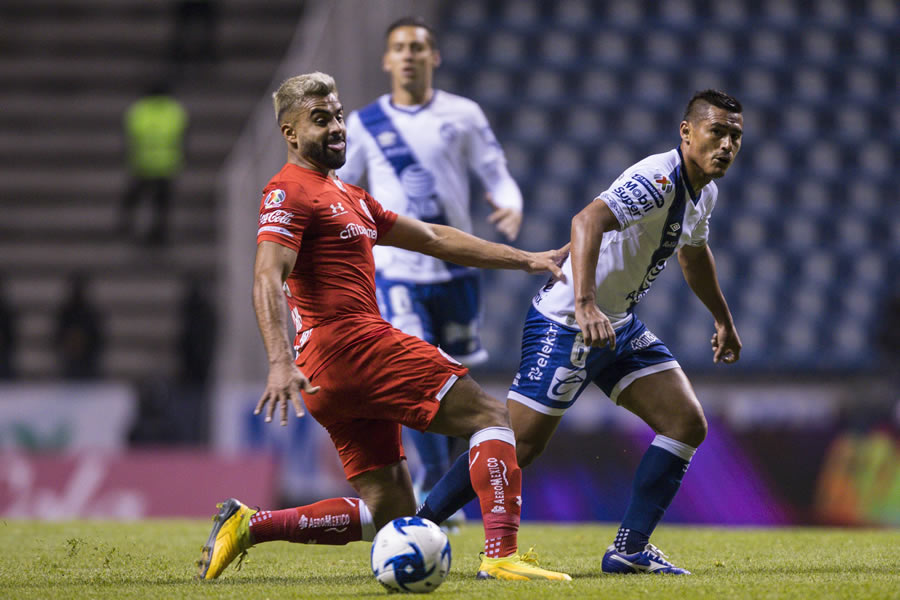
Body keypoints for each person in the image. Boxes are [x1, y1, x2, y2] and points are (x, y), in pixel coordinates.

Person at [196, 71, 571, 582]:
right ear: (290, 133)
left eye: (338, 116)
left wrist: (525, 259)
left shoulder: (350, 195)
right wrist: (278, 361)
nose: (336, 127)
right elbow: (266, 275)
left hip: (329, 373)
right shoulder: (288, 191)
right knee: (491, 417)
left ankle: (249, 525)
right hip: (352, 345)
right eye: (320, 119)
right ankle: (502, 554)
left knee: (392, 512)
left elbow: (434, 238)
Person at [416, 90, 745, 575]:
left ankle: (629, 549)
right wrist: (585, 303)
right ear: (687, 131)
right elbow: (586, 220)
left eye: (735, 136)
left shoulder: (704, 192)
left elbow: (693, 254)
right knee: (518, 444)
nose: (727, 145)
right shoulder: (659, 178)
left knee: (685, 424)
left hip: (616, 325)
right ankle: (418, 525)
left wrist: (723, 319)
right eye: (717, 132)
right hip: (568, 322)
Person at [336, 17, 524, 515]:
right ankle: (436, 485)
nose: (408, 55)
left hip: (456, 273)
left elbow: (495, 172)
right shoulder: (365, 123)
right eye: (399, 47)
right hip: (398, 272)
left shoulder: (462, 115)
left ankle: (449, 491)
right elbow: (339, 189)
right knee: (416, 372)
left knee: (456, 383)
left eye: (417, 47)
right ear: (386, 59)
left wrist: (510, 203)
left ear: (433, 57)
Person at [120, 81, 188, 244]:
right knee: (162, 203)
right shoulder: (174, 111)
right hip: (166, 164)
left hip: (142, 163)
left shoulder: (139, 110)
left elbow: (130, 138)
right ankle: (159, 232)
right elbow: (183, 138)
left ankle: (125, 226)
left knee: (134, 197)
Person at [56, 273, 104, 379]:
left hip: (88, 362)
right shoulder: (65, 314)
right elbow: (57, 338)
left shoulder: (91, 314)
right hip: (70, 362)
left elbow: (98, 339)